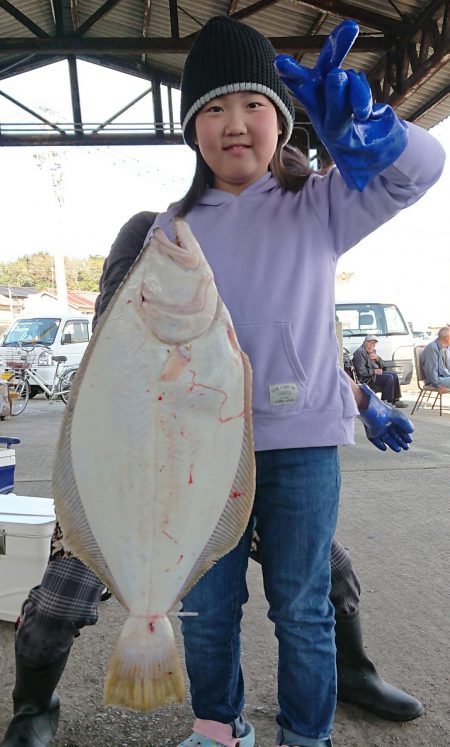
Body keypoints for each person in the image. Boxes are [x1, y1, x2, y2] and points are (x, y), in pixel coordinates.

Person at [0, 203, 421, 747]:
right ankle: (33, 706)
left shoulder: (276, 236)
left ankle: (354, 676)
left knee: (329, 573)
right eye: (217, 115)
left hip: (223, 472)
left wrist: (362, 398)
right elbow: (123, 338)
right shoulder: (154, 233)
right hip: (132, 466)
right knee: (62, 599)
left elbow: (291, 350)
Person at [144, 15, 444, 747]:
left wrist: (375, 123)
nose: (234, 124)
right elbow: (146, 344)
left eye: (253, 105)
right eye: (211, 108)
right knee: (208, 607)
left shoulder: (322, 202)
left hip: (302, 443)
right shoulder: (172, 226)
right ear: (192, 131)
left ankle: (307, 735)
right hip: (203, 456)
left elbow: (423, 168)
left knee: (302, 604)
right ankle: (220, 725)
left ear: (282, 121)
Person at [352, 335, 408, 407]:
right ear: (365, 342)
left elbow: (382, 365)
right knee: (388, 378)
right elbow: (361, 372)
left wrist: (377, 358)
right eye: (370, 343)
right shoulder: (360, 353)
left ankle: (395, 400)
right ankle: (386, 401)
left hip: (373, 375)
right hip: (366, 379)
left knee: (394, 375)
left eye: (374, 343)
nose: (372, 345)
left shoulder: (371, 351)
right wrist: (374, 371)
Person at [420, 326, 450, 391]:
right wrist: (438, 385)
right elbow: (431, 371)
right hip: (435, 381)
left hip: (444, 377)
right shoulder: (432, 348)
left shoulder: (445, 347)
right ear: (447, 338)